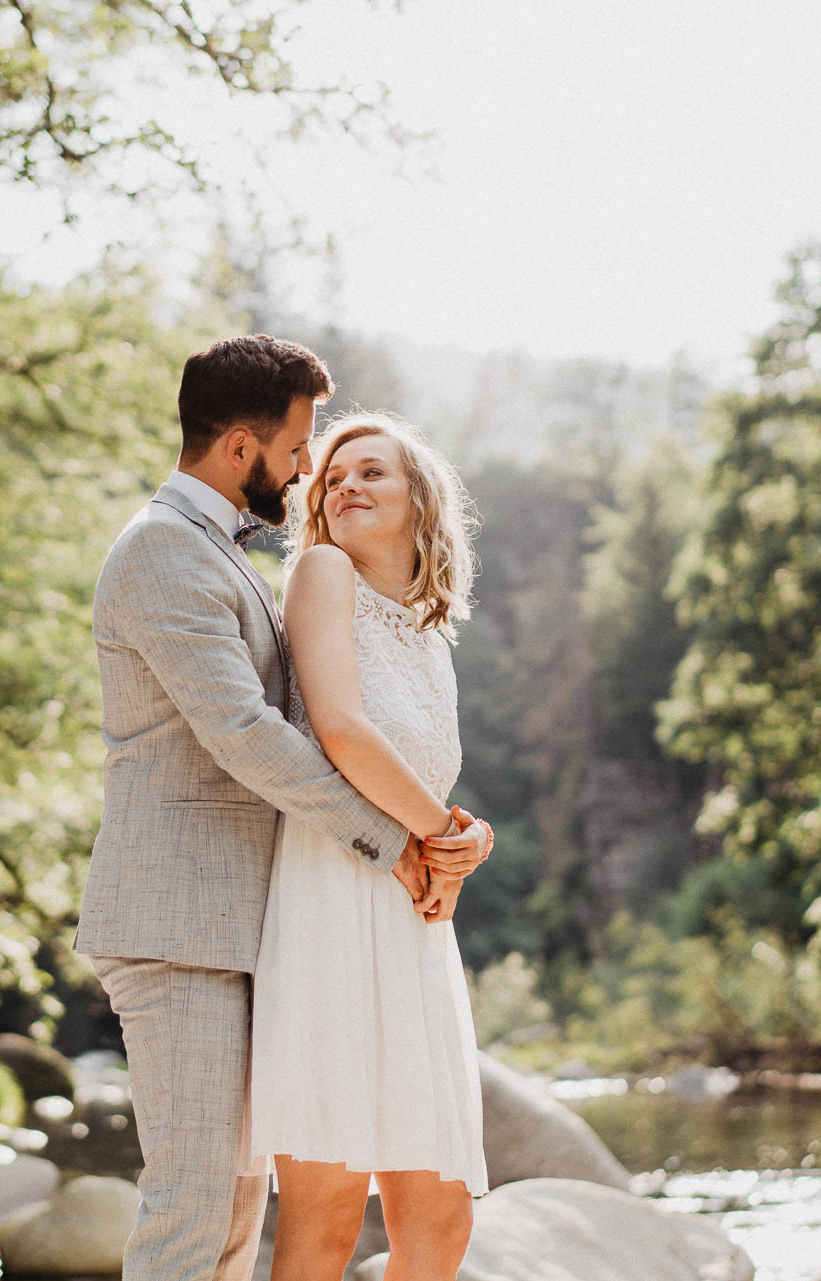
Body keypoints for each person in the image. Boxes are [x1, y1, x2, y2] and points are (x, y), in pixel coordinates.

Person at [75, 336, 491, 1281]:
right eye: (302, 446)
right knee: (195, 1209)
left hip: (248, 915)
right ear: (238, 447)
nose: (308, 469)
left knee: (228, 1214)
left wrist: (442, 834)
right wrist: (400, 841)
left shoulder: (224, 555)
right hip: (181, 921)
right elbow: (249, 733)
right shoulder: (160, 553)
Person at [250, 412, 490, 1281]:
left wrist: (462, 832)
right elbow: (344, 735)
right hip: (333, 903)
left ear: (420, 500)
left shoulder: (429, 635)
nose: (345, 483)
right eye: (334, 474)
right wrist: (442, 835)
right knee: (325, 1218)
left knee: (440, 1223)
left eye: (372, 472)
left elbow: (416, 774)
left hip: (413, 923)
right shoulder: (322, 573)